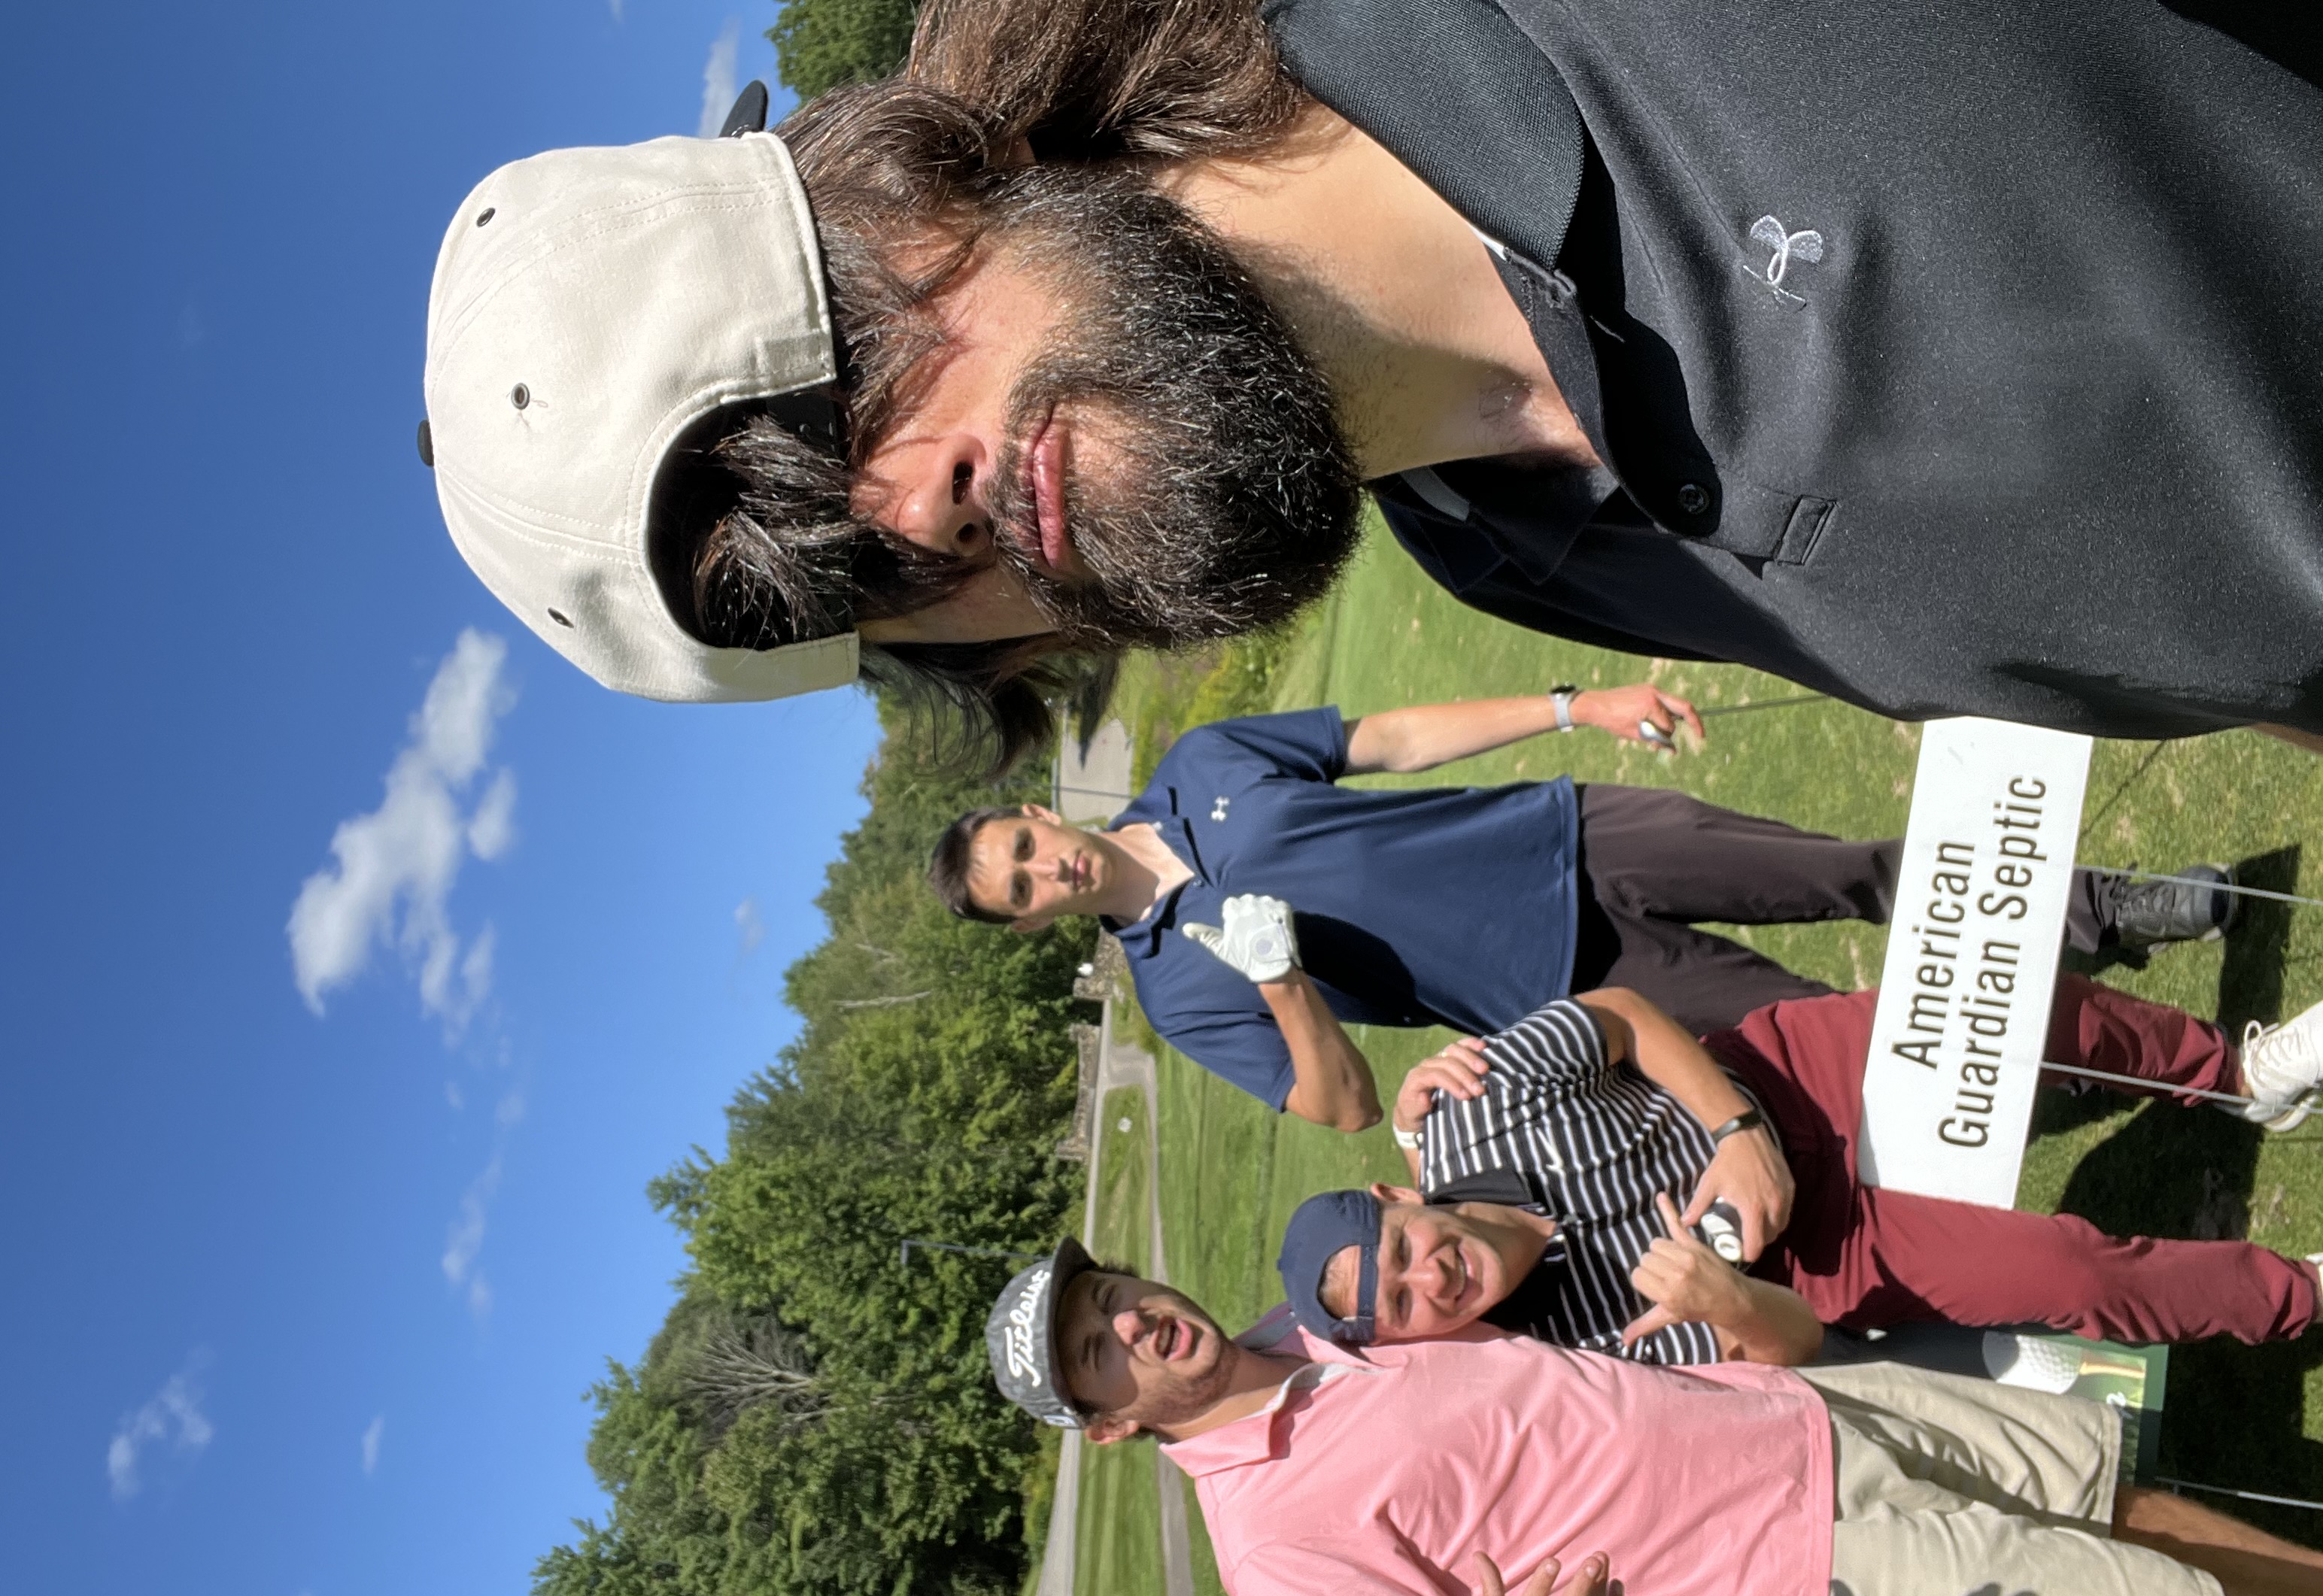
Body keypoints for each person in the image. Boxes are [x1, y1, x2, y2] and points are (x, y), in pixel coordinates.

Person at [420, 2, 2323, 762]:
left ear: (896, 188)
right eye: (855, 589)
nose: (912, 514)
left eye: (826, 412)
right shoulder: (1519, 563)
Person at [983, 1239, 2323, 1596]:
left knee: (2122, 1511)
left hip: (1810, 1413)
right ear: (1110, 1429)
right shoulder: (1266, 1542)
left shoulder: (1321, 1326)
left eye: (1112, 1296)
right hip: (1810, 1579)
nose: (1137, 1324)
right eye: (1102, 1352)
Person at [926, 693, 2233, 1127]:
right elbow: (1341, 1106)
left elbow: (1386, 738)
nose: (1051, 875)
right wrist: (1278, 982)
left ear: (1041, 815)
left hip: (1571, 833)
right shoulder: (1171, 990)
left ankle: (2110, 906)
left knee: (1851, 869)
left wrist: (1569, 707)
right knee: (1839, 1039)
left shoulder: (1205, 763)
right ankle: (2082, 1064)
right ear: (1036, 926)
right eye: (1025, 897)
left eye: (1027, 850)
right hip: (1578, 1000)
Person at [1271, 978, 2323, 1364]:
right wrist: (1727, 1302)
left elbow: (1623, 1018)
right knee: (2073, 1275)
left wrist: (1734, 1128)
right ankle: (2302, 1294)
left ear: (1396, 1195)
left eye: (1398, 1253)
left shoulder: (1464, 1106)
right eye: (1399, 1307)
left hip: (1777, 1081)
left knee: (2009, 1016)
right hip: (1813, 1258)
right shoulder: (1547, 1357)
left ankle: (2233, 1072)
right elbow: (1782, 1350)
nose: (1430, 1281)